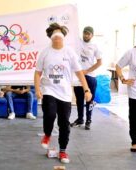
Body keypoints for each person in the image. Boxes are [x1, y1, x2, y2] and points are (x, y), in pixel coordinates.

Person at [34, 23, 92, 163]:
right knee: (50, 114)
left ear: (63, 37)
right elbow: (37, 73)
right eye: (55, 35)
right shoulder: (45, 52)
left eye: (60, 35)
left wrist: (86, 89)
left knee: (64, 123)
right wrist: (37, 89)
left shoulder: (69, 52)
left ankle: (63, 151)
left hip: (65, 93)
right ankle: (47, 134)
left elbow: (79, 72)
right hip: (49, 89)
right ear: (51, 37)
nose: (57, 37)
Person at [71, 26, 102, 130]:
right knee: (79, 99)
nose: (86, 35)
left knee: (90, 99)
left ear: (92, 35)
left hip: (90, 76)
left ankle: (89, 119)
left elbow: (99, 62)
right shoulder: (77, 42)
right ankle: (80, 119)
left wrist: (87, 71)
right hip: (78, 76)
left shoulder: (95, 46)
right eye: (85, 33)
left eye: (88, 34)